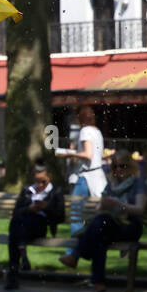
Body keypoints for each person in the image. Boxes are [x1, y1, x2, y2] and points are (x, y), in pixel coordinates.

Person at [60, 148, 147, 292]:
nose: (118, 169)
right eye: (115, 166)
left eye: (122, 166)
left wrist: (118, 204)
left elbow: (140, 209)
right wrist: (103, 205)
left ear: (130, 166)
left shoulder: (138, 183)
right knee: (100, 234)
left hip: (130, 226)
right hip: (110, 225)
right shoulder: (111, 186)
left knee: (101, 225)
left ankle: (76, 256)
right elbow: (101, 208)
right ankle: (98, 283)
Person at [5, 161, 64, 290]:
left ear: (49, 177)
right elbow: (16, 212)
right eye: (37, 181)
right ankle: (22, 253)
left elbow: (60, 216)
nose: (40, 185)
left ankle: (13, 273)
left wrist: (47, 207)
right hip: (23, 226)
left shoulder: (56, 192)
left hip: (40, 226)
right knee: (17, 225)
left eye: (43, 181)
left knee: (16, 228)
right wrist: (29, 209)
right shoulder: (27, 191)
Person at [56, 104, 106, 256]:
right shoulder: (97, 131)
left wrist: (67, 153)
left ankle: (72, 251)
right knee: (94, 215)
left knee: (76, 214)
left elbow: (87, 155)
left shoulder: (84, 131)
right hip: (98, 176)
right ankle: (85, 249)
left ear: (80, 117)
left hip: (86, 176)